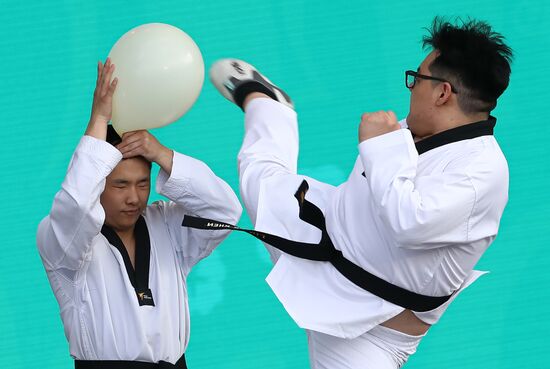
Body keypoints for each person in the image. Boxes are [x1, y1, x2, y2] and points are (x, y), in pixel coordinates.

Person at [200, 17, 513, 368]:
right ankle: (268, 105)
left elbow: (410, 223)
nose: (411, 88)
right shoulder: (415, 126)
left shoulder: (482, 172)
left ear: (443, 92)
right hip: (317, 231)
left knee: (262, 178)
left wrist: (380, 144)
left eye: (418, 78)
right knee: (260, 176)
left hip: (367, 331)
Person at [36, 58, 242, 368]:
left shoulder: (167, 225)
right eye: (120, 185)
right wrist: (99, 121)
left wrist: (162, 154)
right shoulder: (61, 241)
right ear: (98, 183)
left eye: (142, 184)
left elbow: (225, 211)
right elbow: (77, 204)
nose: (134, 197)